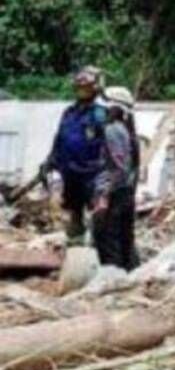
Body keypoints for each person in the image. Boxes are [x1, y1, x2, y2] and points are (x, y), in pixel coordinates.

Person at [44, 67, 109, 245]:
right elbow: (60, 138)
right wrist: (51, 161)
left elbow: (108, 143)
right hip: (70, 173)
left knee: (98, 215)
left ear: (95, 89)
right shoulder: (69, 113)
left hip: (92, 173)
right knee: (74, 214)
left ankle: (99, 252)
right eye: (79, 87)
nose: (82, 90)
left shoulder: (100, 114)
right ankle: (74, 249)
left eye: (87, 87)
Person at [94, 86, 141, 270]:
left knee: (107, 242)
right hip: (124, 194)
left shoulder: (112, 130)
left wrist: (104, 195)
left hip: (114, 195)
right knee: (124, 241)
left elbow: (118, 169)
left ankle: (113, 282)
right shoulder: (126, 131)